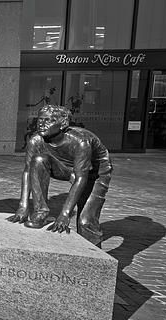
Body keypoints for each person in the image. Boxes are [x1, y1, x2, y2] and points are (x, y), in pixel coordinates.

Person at [7, 105, 112, 245]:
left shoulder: (80, 142)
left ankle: (95, 257)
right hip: (63, 167)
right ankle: (40, 212)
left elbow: (81, 178)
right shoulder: (36, 140)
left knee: (85, 220)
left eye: (48, 121)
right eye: (40, 120)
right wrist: (23, 205)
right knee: (38, 161)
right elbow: (27, 171)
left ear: (63, 124)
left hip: (94, 172)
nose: (42, 124)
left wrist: (64, 214)